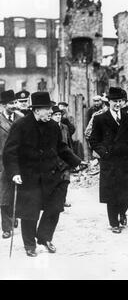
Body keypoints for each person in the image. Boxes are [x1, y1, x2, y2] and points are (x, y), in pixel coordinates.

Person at [3, 92, 84, 257]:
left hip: (50, 174)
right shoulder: (20, 125)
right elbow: (9, 153)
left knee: (55, 206)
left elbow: (61, 147)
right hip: (28, 176)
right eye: (47, 109)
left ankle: (44, 237)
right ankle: (30, 245)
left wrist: (77, 161)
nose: (50, 111)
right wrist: (14, 173)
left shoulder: (53, 126)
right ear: (36, 110)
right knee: (29, 212)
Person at [89, 87, 128, 234]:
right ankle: (114, 223)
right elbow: (93, 140)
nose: (118, 104)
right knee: (111, 194)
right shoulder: (100, 118)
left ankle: (123, 211)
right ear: (109, 102)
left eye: (120, 101)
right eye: (115, 101)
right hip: (110, 161)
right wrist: (104, 153)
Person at [0, 90, 23, 239]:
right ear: (2, 105)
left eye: (15, 103)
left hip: (20, 161)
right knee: (3, 195)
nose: (14, 105)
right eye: (11, 103)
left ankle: (15, 216)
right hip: (1, 163)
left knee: (19, 192)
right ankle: (6, 227)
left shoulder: (21, 118)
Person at [50, 106, 74, 208]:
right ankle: (53, 201)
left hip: (65, 158)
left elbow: (69, 142)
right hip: (54, 159)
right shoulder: (49, 127)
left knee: (66, 181)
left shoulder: (65, 127)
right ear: (51, 116)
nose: (58, 116)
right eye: (55, 115)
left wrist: (72, 157)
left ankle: (62, 200)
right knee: (55, 181)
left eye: (59, 114)